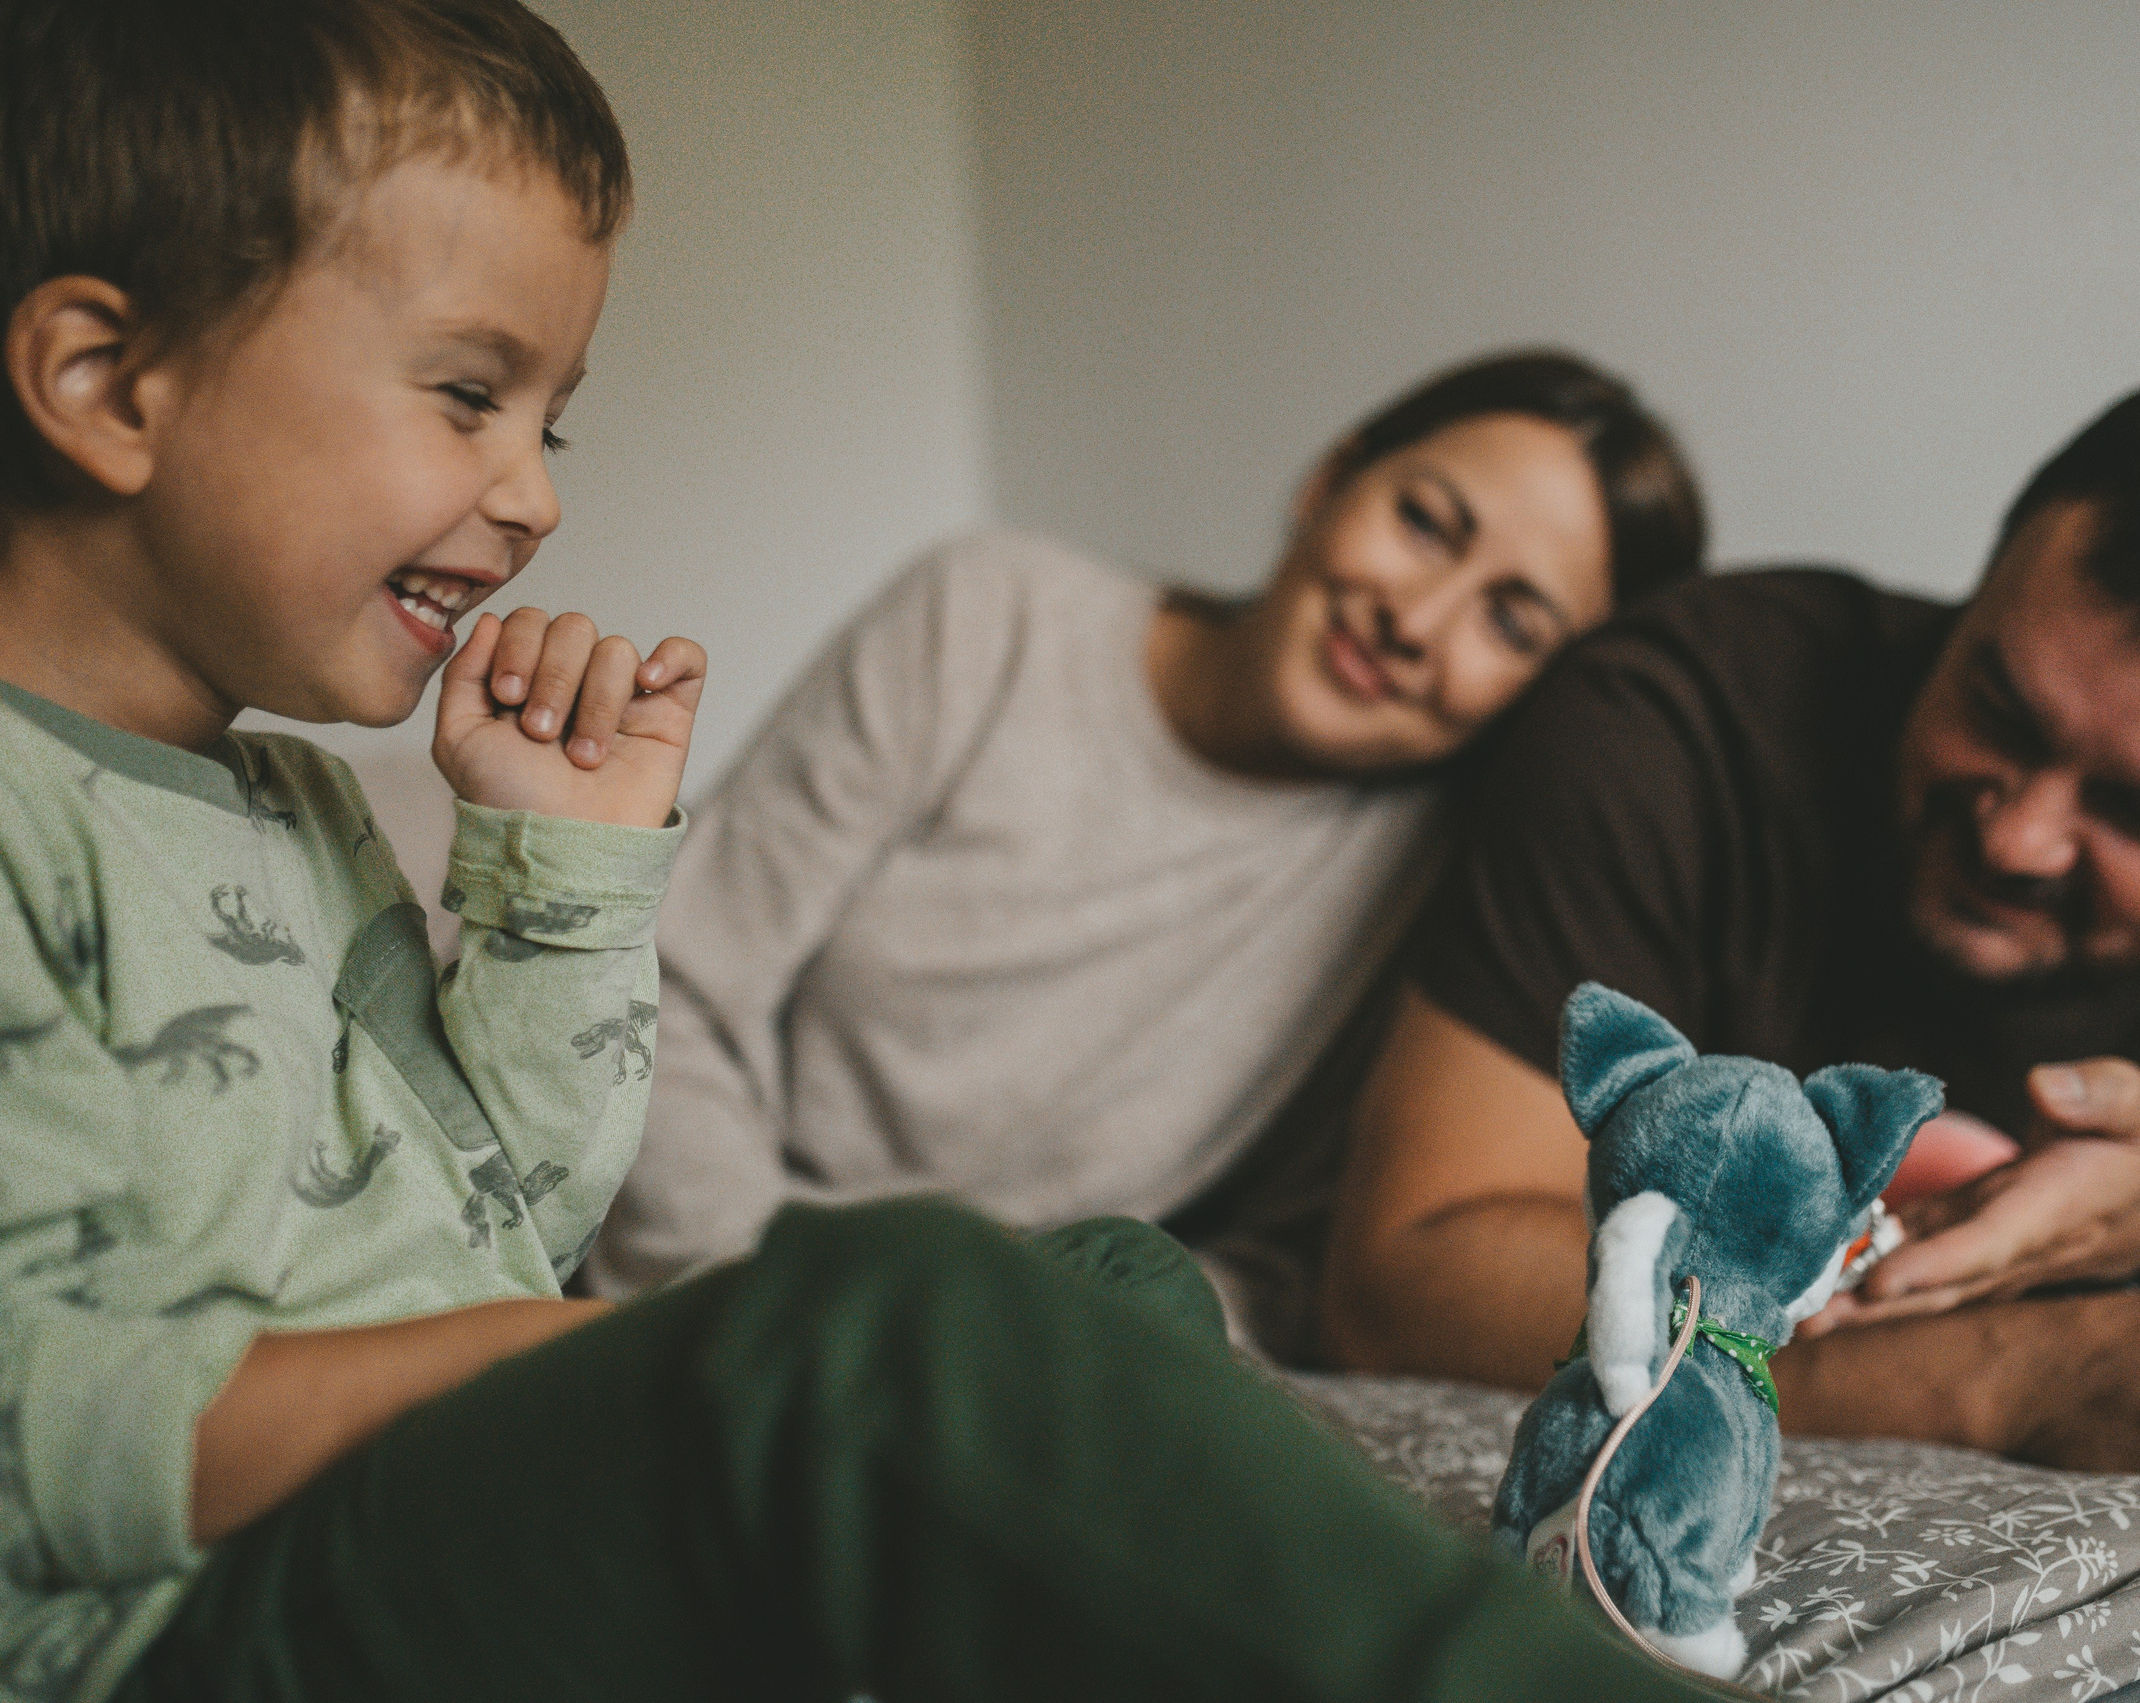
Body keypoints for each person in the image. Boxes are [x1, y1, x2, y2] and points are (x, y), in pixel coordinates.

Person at [0, 5, 1735, 1701]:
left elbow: (507, 1216)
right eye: (466, 394)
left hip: (536, 1450)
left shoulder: (302, 805)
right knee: (912, 1314)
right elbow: (29, 1423)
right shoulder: (6, 807)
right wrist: (719, 1348)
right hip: (160, 1624)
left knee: (1115, 1283)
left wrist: (557, 883)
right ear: (106, 381)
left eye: (551, 423)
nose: (535, 497)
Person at [1321, 372, 2140, 1554]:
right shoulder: (1670, 709)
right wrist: (2013, 1373)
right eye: (2000, 711)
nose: (2016, 836)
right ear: (1979, 593)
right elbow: (1408, 1270)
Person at [587, 349, 1705, 1350]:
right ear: (1328, 482)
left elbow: (1280, 1265)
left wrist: (1054, 1344)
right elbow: (670, 987)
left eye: (1510, 622)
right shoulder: (988, 616)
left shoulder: (1437, 886)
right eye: (1424, 521)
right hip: (697, 1296)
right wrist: (763, 1320)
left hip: (973, 1359)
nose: (1417, 619)